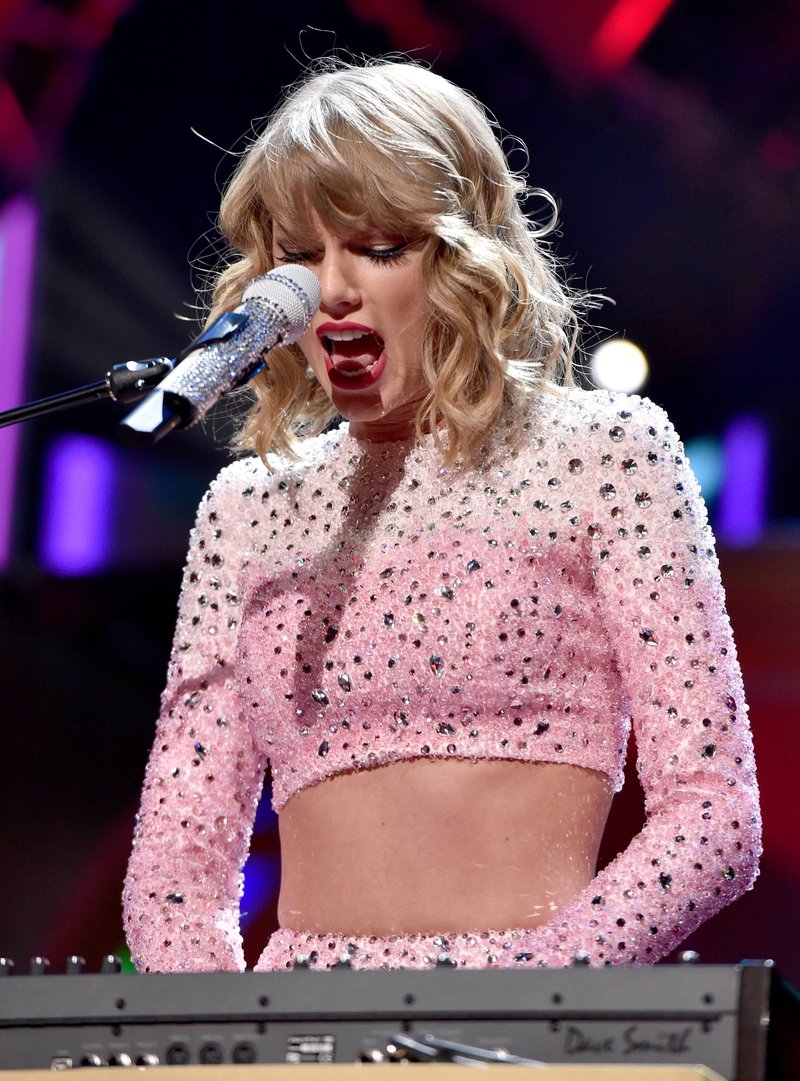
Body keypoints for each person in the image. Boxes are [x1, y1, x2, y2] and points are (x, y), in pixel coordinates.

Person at [122, 59, 761, 972]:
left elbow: (715, 811)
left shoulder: (605, 452)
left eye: (377, 247)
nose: (331, 290)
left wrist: (538, 988)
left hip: (527, 1023)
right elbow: (176, 866)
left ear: (462, 255)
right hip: (294, 1033)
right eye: (299, 258)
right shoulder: (247, 509)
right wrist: (229, 1044)